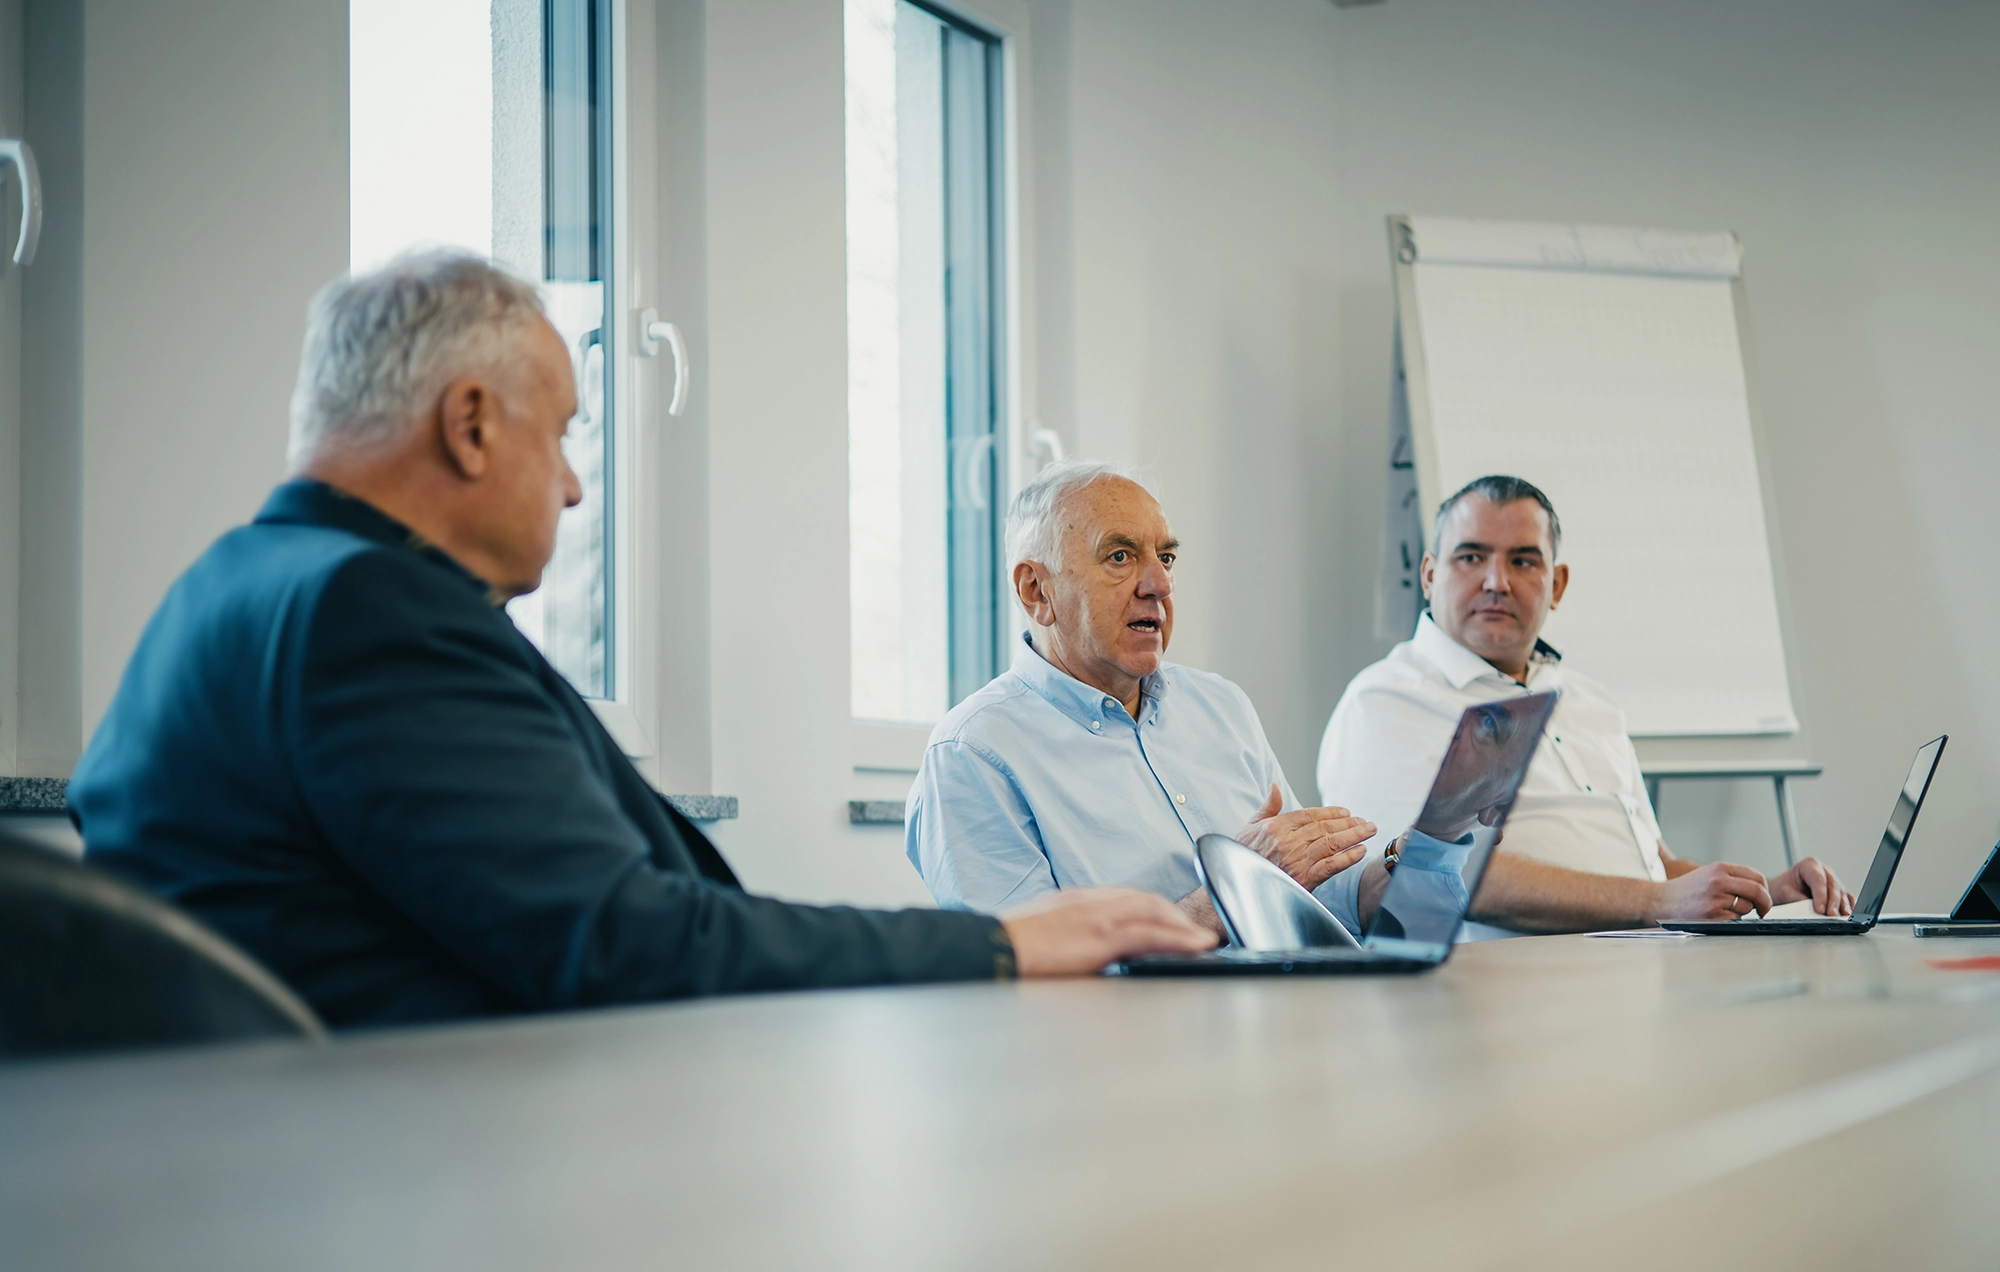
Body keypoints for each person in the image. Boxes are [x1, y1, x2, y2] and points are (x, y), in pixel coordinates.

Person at [67, 252, 1213, 1029]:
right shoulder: (367, 613)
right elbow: (624, 944)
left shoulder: (229, 586)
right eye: (563, 433)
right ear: (469, 426)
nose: (573, 487)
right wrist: (999, 946)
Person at [1315, 474, 1852, 934]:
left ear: (1557, 585)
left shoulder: (1590, 699)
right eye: (1471, 556)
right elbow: (1428, 874)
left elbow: (1654, 864)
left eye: (1523, 561)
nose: (1496, 582)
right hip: (1505, 989)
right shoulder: (1384, 699)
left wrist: (1763, 893)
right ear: (1430, 575)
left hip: (1648, 963)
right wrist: (1657, 904)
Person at [906, 460, 1375, 930]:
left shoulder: (1220, 704)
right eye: (1120, 557)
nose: (1160, 585)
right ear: (1036, 591)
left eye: (1166, 558)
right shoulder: (973, 753)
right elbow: (1033, 961)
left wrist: (1407, 858)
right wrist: (1235, 891)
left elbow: (1319, 899)